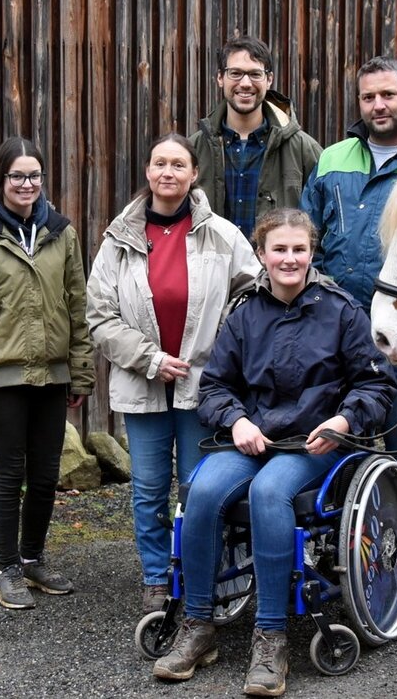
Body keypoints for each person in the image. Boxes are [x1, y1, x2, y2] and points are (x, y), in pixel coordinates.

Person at [152, 207, 396, 697]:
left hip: (315, 443)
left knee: (269, 493)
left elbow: (377, 386)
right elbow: (215, 386)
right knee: (199, 491)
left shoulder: (343, 311)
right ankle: (198, 626)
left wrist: (343, 419)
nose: (290, 259)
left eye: (299, 249)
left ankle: (271, 637)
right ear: (261, 254)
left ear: (312, 253)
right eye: (279, 249)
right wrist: (237, 421)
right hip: (253, 439)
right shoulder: (244, 314)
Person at [86, 133, 260, 616]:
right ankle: (157, 578)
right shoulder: (118, 241)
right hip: (141, 384)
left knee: (200, 489)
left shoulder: (222, 235)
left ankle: (201, 577)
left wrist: (223, 348)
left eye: (178, 164)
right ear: (147, 171)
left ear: (193, 175)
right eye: (159, 162)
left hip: (204, 388)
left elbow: (254, 296)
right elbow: (99, 317)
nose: (168, 172)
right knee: (148, 490)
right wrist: (151, 358)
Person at [0, 136, 94, 610]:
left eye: (34, 176)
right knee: (10, 472)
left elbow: (76, 303)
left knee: (47, 473)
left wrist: (82, 370)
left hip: (51, 374)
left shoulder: (60, 232)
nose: (26, 184)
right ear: (0, 179)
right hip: (0, 376)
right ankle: (5, 570)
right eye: (17, 176)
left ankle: (32, 561)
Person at [300, 55, 397, 528]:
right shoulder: (332, 158)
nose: (378, 105)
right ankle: (350, 558)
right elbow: (307, 240)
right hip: (336, 335)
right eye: (368, 97)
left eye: (388, 95)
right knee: (337, 446)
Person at [192, 36, 322, 239]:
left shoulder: (304, 149)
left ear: (269, 80)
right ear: (220, 78)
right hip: (213, 269)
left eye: (255, 74)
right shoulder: (194, 148)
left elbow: (323, 222)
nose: (245, 83)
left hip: (278, 269)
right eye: (235, 73)